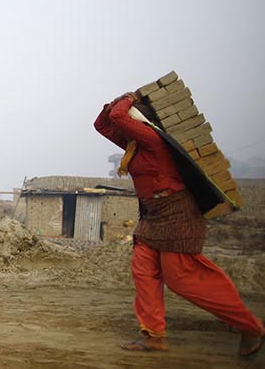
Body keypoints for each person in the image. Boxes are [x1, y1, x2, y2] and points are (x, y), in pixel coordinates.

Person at [94, 92, 264, 358]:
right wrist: (113, 102)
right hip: (153, 217)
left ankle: (250, 326)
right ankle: (153, 336)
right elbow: (103, 124)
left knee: (182, 278)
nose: (122, 126)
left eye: (129, 121)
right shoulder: (133, 146)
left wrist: (128, 97)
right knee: (143, 270)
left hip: (178, 214)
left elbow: (117, 116)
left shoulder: (154, 141)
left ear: (139, 123)